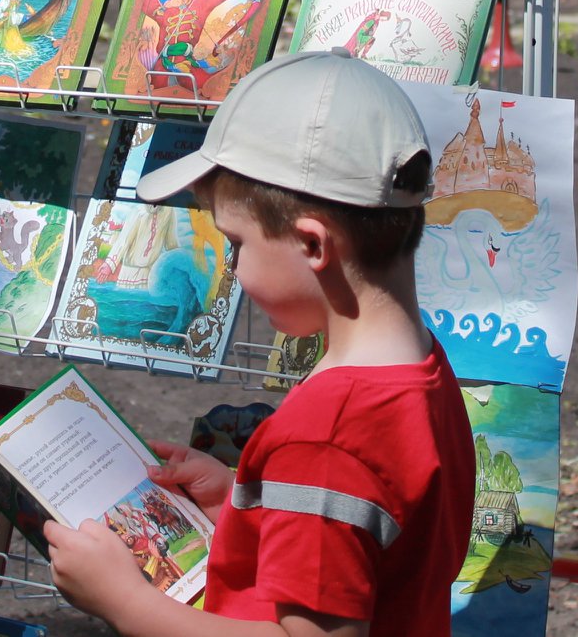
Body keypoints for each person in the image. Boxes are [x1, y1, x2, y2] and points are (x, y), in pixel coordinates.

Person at [45, 48, 477, 637]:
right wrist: (244, 505)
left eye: (236, 242)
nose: (232, 265)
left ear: (313, 246)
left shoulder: (328, 435)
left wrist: (126, 603)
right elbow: (374, 550)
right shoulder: (420, 367)